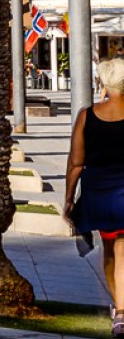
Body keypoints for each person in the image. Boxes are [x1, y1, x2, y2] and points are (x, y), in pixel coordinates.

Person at [66, 58, 124, 335]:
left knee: (111, 252)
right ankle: (121, 314)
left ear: (104, 82)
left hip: (100, 194)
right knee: (122, 251)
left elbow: (76, 163)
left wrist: (68, 198)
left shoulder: (87, 116)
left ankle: (119, 309)